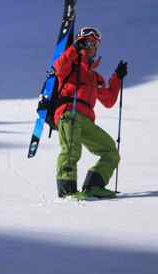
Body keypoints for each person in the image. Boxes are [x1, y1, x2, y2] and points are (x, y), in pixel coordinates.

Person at [51, 26, 128, 199]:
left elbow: (108, 100)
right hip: (68, 114)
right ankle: (67, 190)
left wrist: (117, 77)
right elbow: (58, 66)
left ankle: (94, 186)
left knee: (110, 151)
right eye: (87, 41)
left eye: (95, 43)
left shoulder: (94, 77)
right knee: (71, 150)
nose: (91, 46)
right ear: (79, 42)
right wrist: (74, 49)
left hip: (86, 120)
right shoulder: (69, 65)